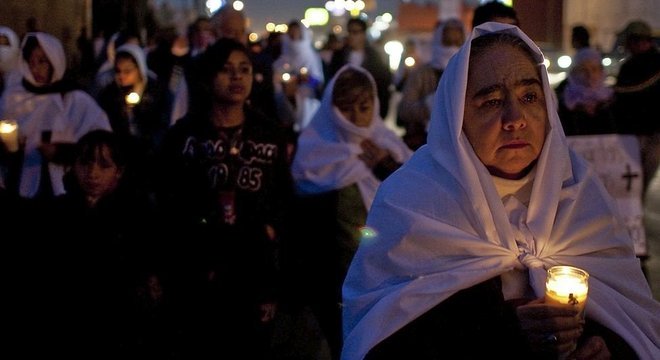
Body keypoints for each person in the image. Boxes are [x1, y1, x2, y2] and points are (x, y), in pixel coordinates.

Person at [341, 23, 659, 360]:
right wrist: (502, 328)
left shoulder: (582, 192)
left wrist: (605, 345)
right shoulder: (410, 202)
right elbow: (378, 335)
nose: (515, 118)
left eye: (529, 97)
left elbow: (636, 321)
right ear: (456, 119)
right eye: (491, 101)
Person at [155, 38, 293, 358]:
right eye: (227, 70)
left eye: (244, 70)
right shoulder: (184, 135)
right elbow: (167, 200)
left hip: (252, 272)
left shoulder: (269, 134)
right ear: (208, 77)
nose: (237, 78)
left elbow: (282, 201)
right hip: (195, 272)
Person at [286, 64, 412, 360]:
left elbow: (413, 205)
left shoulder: (390, 148)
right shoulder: (314, 155)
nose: (356, 117)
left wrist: (385, 167)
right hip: (332, 281)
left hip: (388, 277)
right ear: (331, 109)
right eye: (346, 109)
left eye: (364, 107)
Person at [0, 32, 111, 200]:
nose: (35, 68)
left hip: (62, 187)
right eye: (31, 61)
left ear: (55, 60)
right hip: (17, 182)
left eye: (42, 61)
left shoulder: (74, 100)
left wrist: (60, 152)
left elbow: (101, 143)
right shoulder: (12, 97)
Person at [397, 18, 465, 150]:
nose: (452, 47)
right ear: (439, 40)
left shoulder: (469, 72)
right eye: (448, 42)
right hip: (425, 143)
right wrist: (430, 104)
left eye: (457, 42)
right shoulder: (422, 74)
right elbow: (404, 110)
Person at [613, 19, 660, 194]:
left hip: (645, 132)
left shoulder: (630, 67)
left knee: (638, 177)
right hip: (641, 132)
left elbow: (621, 97)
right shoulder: (629, 66)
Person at [328, 18, 392, 119]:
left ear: (363, 34)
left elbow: (383, 85)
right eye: (349, 31)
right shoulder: (339, 56)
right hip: (343, 110)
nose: (351, 36)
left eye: (355, 32)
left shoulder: (374, 58)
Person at [555, 47, 617, 135]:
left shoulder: (612, 100)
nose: (590, 74)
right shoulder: (564, 102)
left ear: (601, 71)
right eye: (583, 70)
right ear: (574, 72)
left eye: (594, 69)